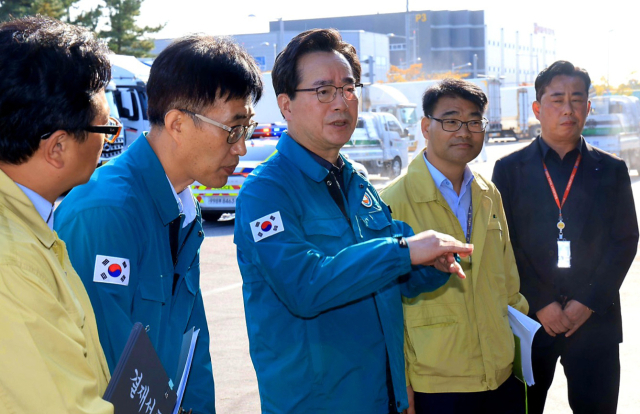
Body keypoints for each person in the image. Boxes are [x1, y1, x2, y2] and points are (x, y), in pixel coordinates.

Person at [234, 28, 474, 414]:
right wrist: (404, 252)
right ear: (286, 105)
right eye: (323, 91)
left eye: (349, 88)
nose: (341, 102)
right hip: (317, 404)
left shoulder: (356, 181)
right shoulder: (266, 193)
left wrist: (433, 264)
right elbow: (305, 286)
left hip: (384, 398)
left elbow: (396, 275)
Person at [54, 35, 264, 413]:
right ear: (177, 123)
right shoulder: (106, 212)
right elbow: (104, 371)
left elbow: (191, 345)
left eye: (246, 128)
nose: (242, 147)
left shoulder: (183, 208)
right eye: (233, 129)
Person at [492, 60, 638, 414]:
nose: (568, 109)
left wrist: (586, 301)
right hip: (529, 320)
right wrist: (540, 301)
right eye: (557, 99)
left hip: (594, 319)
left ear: (588, 107)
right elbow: (501, 244)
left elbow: (625, 241)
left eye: (577, 99)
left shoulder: (612, 169)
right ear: (538, 109)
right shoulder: (509, 170)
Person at [380, 78, 528, 414]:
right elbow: (386, 306)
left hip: (501, 375)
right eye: (450, 120)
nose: (464, 131)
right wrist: (401, 381)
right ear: (425, 127)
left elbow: (507, 280)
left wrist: (516, 351)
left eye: (475, 121)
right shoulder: (392, 201)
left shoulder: (489, 193)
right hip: (436, 383)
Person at [0, 16, 114, 413]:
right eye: (105, 131)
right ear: (58, 148)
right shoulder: (13, 263)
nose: (109, 143)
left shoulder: (26, 223)